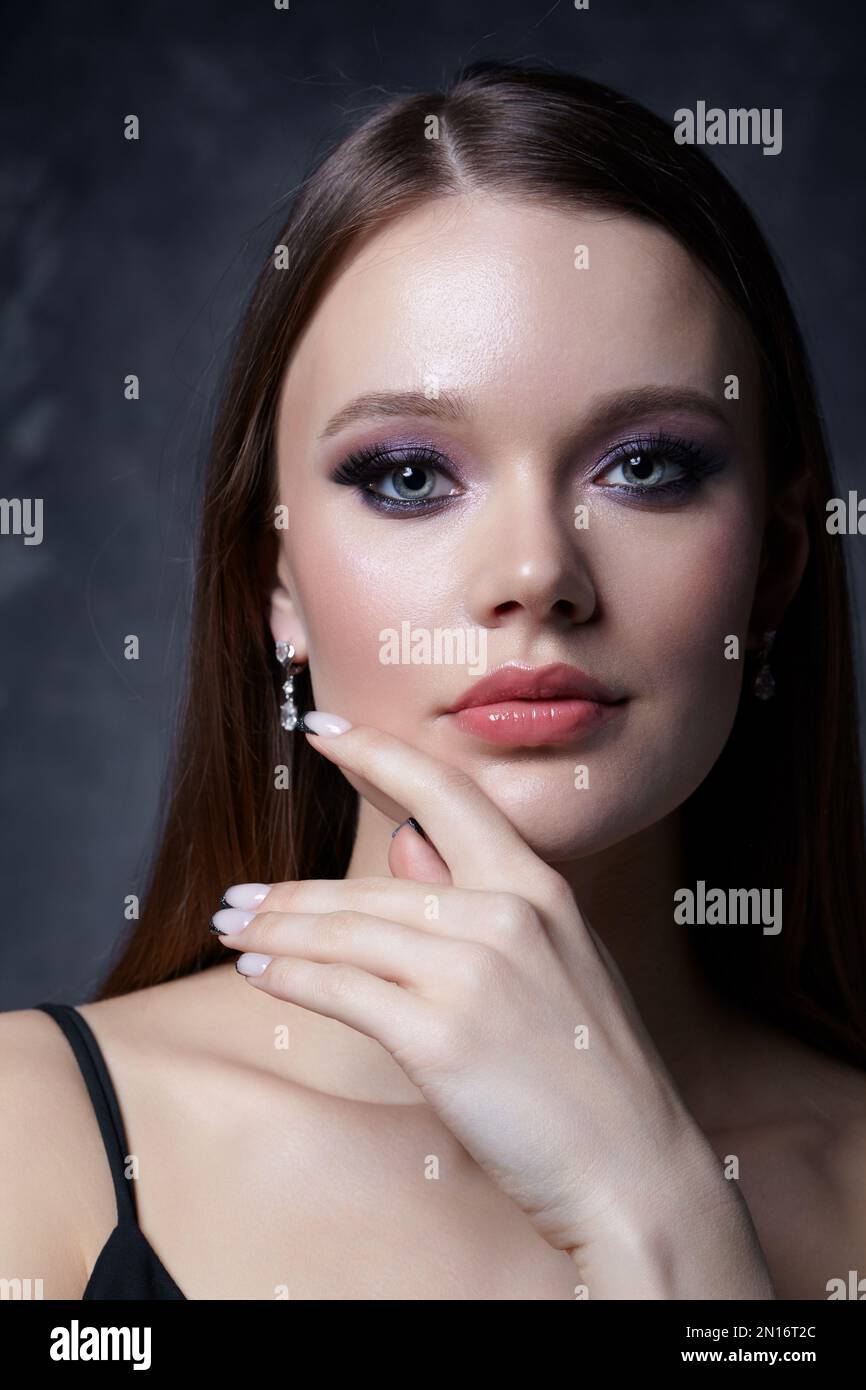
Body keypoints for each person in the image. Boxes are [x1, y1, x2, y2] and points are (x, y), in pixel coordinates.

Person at [3, 60, 865, 1301]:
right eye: (407, 473)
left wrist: (658, 1215)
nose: (535, 573)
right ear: (275, 583)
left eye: (646, 467)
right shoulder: (30, 1143)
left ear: (775, 562)